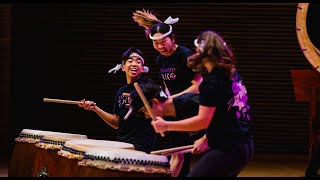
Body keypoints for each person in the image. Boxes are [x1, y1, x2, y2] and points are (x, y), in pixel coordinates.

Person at [150, 30, 254, 177]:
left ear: (202, 52)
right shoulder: (232, 74)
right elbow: (226, 114)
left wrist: (166, 125)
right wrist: (206, 138)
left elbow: (202, 121)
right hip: (245, 145)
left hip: (227, 149)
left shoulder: (211, 83)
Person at [132, 9, 204, 177]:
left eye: (163, 41)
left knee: (201, 151)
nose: (160, 46)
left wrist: (171, 101)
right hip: (175, 109)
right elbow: (167, 86)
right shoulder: (161, 59)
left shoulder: (186, 56)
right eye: (155, 43)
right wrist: (165, 105)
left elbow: (198, 86)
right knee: (178, 155)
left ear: (173, 38)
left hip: (193, 107)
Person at [77, 47, 157, 154]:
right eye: (130, 61)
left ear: (142, 68)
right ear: (123, 67)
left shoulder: (147, 85)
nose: (134, 64)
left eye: (138, 62)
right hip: (122, 143)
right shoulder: (121, 91)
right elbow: (116, 122)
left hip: (141, 144)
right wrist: (95, 108)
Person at [131, 78, 205, 177]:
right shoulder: (169, 120)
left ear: (155, 102)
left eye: (144, 110)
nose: (146, 116)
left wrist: (205, 138)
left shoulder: (189, 102)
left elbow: (224, 119)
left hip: (227, 143)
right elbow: (177, 157)